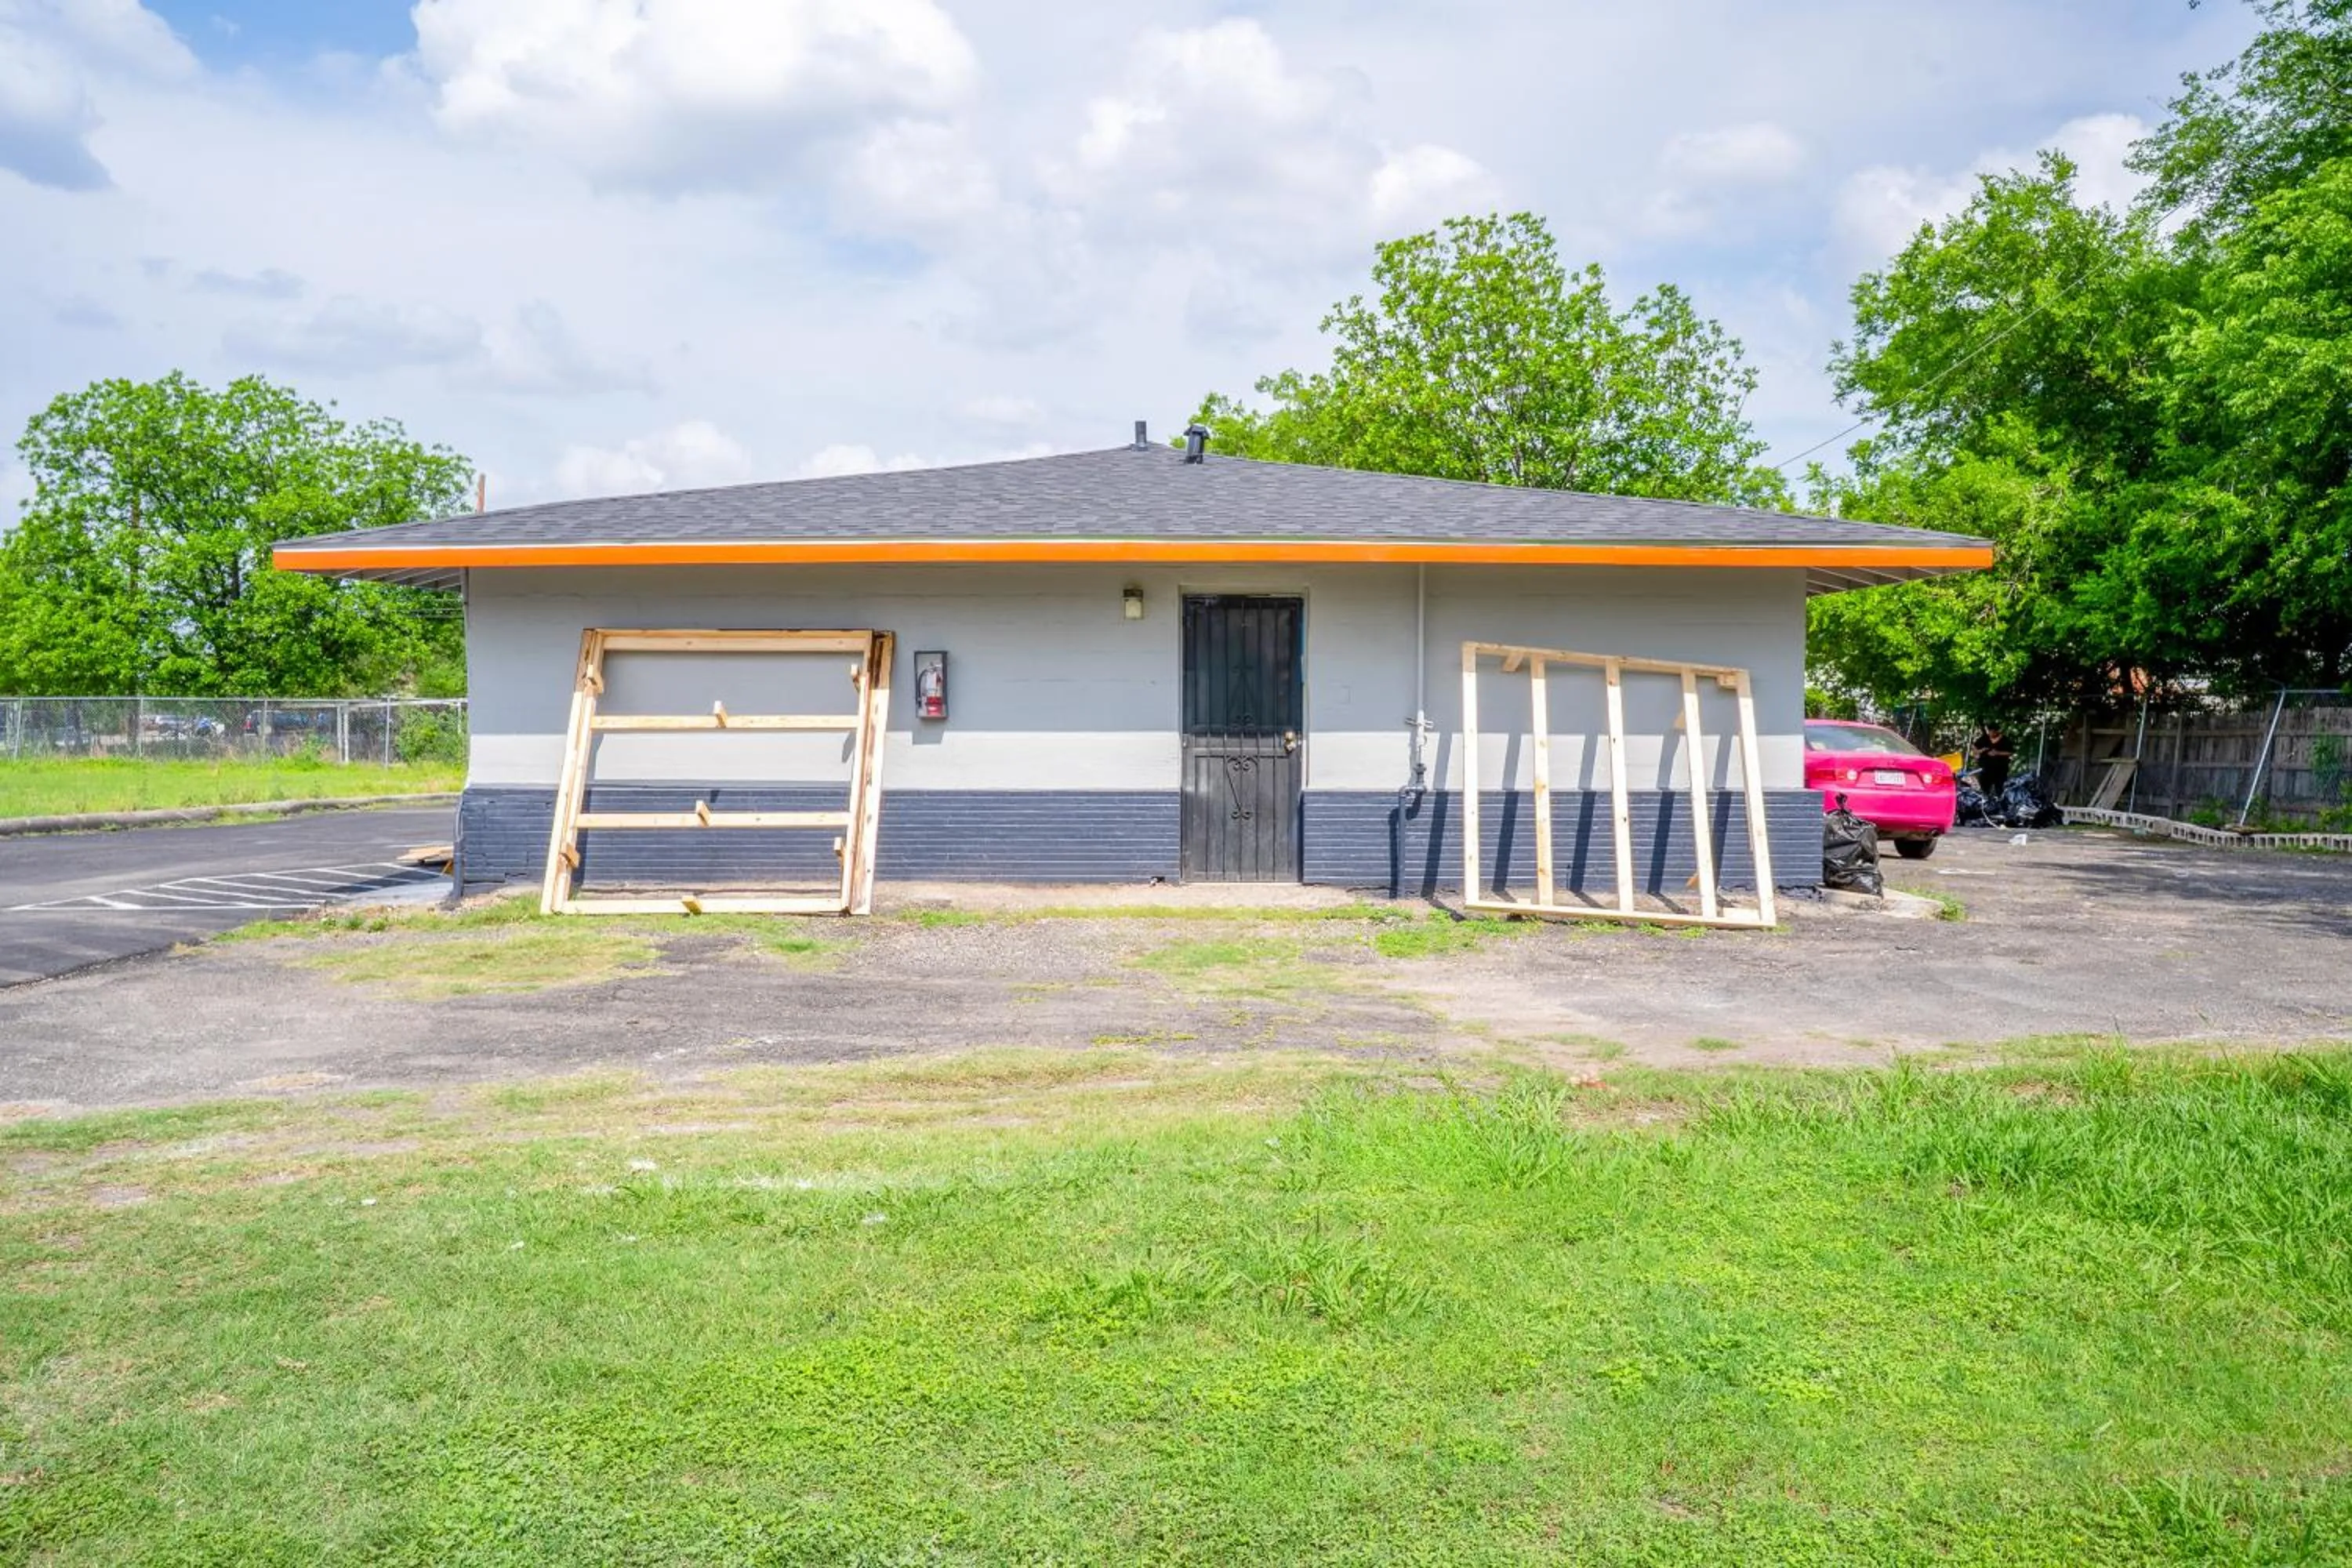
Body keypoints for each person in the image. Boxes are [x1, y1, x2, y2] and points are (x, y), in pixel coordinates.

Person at [1973, 724, 2014, 797]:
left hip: (2000, 769)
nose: (1991, 733)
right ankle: (1986, 802)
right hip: (1986, 769)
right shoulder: (1984, 738)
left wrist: (1998, 753)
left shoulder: (2005, 740)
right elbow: (1974, 747)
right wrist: (1980, 751)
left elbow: (2010, 752)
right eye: (1990, 731)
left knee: (2000, 788)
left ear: (1997, 731)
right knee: (1984, 788)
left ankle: (2000, 802)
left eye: (1993, 732)